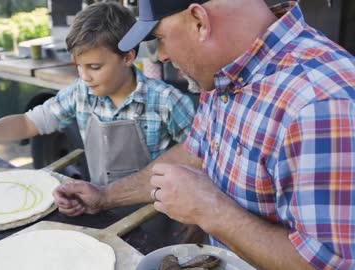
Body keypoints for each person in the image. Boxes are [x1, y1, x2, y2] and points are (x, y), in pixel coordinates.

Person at [53, 0, 355, 269]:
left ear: (199, 21)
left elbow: (331, 262)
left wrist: (210, 210)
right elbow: (194, 153)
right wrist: (105, 196)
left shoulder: (321, 102)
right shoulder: (224, 73)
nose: (161, 56)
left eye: (159, 38)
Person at [0, 2, 195, 187]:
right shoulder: (81, 93)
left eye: (94, 67)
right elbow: (28, 123)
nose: (84, 76)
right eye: (79, 66)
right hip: (103, 210)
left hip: (159, 218)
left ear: (128, 57)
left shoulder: (166, 101)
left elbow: (199, 159)